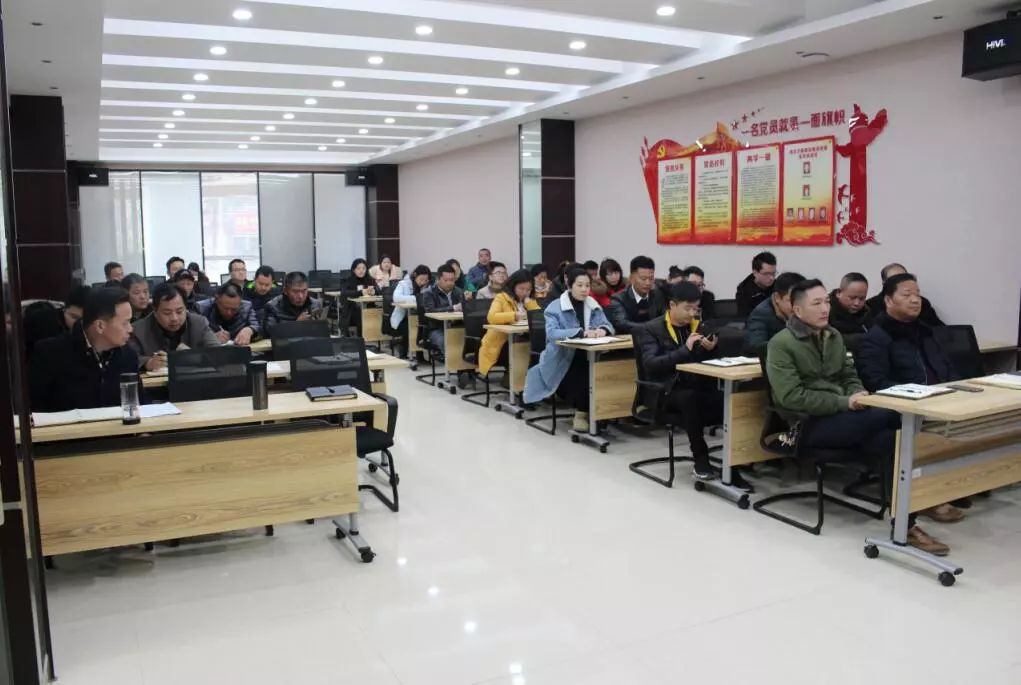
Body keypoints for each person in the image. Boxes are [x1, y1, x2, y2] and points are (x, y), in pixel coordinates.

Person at [766, 279, 949, 555]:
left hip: (844, 419)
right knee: (890, 414)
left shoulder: (833, 336)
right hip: (805, 425)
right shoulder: (781, 344)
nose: (825, 308)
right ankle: (915, 506)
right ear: (798, 310)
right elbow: (791, 397)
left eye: (826, 302)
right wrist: (845, 402)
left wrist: (857, 393)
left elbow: (849, 375)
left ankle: (905, 523)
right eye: (816, 303)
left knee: (895, 438)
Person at [856, 272, 966, 525]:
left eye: (917, 294)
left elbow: (946, 367)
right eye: (906, 295)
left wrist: (958, 389)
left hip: (939, 400)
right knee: (922, 434)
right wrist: (919, 397)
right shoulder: (877, 337)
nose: (915, 300)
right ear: (888, 300)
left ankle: (954, 485)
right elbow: (876, 382)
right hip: (905, 409)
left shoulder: (925, 332)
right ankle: (925, 498)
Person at [637, 282, 754, 490]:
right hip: (665, 390)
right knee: (691, 399)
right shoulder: (651, 329)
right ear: (672, 305)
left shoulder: (700, 326)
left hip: (698, 385)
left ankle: (732, 466)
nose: (692, 314)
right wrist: (685, 349)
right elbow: (651, 364)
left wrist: (712, 349)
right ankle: (701, 458)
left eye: (695, 309)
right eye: (687, 308)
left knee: (731, 400)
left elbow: (709, 362)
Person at [524, 268, 614, 432]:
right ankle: (581, 413)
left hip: (588, 354)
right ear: (569, 286)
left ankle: (601, 411)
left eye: (587, 285)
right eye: (579, 285)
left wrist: (603, 330)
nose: (584, 289)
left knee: (607, 369)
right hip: (561, 359)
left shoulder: (592, 304)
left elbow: (607, 324)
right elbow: (552, 333)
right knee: (584, 369)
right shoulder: (555, 307)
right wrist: (580, 332)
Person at [30, 288, 142, 412]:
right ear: (100, 326)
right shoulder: (49, 353)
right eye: (125, 323)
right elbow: (35, 409)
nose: (130, 329)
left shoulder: (128, 356)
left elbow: (141, 404)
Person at [130, 283, 221, 372]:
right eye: (167, 313)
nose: (174, 318)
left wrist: (193, 356)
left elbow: (219, 354)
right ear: (155, 311)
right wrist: (147, 363)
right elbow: (128, 359)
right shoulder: (137, 330)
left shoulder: (199, 323)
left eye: (179, 311)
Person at [478, 268, 540, 378]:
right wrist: (513, 316)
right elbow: (491, 317)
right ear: (513, 285)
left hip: (522, 338)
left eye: (528, 289)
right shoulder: (502, 297)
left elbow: (540, 317)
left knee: (536, 346)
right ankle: (514, 378)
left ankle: (525, 378)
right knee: (521, 348)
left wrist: (530, 304)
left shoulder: (529, 300)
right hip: (501, 343)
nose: (524, 292)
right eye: (521, 288)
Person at [744, 272, 805, 357]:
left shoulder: (807, 309)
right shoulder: (761, 314)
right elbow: (756, 346)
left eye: (801, 300)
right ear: (777, 298)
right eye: (791, 300)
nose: (797, 306)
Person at [865, 263, 944, 327]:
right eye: (895, 279)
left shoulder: (922, 302)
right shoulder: (871, 305)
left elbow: (938, 328)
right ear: (884, 283)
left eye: (904, 277)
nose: (902, 281)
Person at [606, 255, 664, 334]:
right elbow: (622, 324)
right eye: (643, 279)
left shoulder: (658, 294)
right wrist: (651, 327)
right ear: (631, 278)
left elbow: (665, 319)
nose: (648, 283)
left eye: (651, 278)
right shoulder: (618, 299)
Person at [194, 283, 260, 345]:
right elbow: (193, 335)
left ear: (240, 302)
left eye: (234, 309)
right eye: (225, 308)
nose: (229, 313)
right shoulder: (201, 308)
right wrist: (210, 337)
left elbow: (257, 326)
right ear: (216, 300)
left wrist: (250, 330)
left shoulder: (247, 307)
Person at [263, 271, 324, 336]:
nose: (300, 296)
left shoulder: (315, 304)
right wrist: (296, 325)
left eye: (304, 291)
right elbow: (270, 333)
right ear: (285, 291)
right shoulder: (273, 307)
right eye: (295, 291)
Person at [422, 263, 465, 355]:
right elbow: (430, 311)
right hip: (437, 329)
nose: (449, 283)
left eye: (452, 280)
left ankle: (462, 363)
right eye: (446, 280)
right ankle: (451, 362)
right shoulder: (429, 293)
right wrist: (453, 308)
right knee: (446, 342)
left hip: (457, 326)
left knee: (470, 340)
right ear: (438, 279)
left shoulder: (458, 291)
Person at [735, 251, 777, 317]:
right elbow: (745, 318)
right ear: (755, 273)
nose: (772, 278)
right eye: (766, 274)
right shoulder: (744, 291)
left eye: (773, 273)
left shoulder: (778, 286)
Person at [828, 272, 871, 337]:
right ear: (838, 293)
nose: (857, 303)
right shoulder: (825, 314)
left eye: (862, 298)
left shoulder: (866, 314)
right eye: (852, 298)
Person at [391, 264, 432, 330]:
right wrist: (417, 298)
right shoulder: (403, 283)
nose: (422, 282)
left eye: (425, 280)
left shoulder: (427, 287)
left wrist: (424, 289)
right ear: (415, 275)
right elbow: (396, 298)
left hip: (420, 317)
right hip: (403, 318)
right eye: (421, 279)